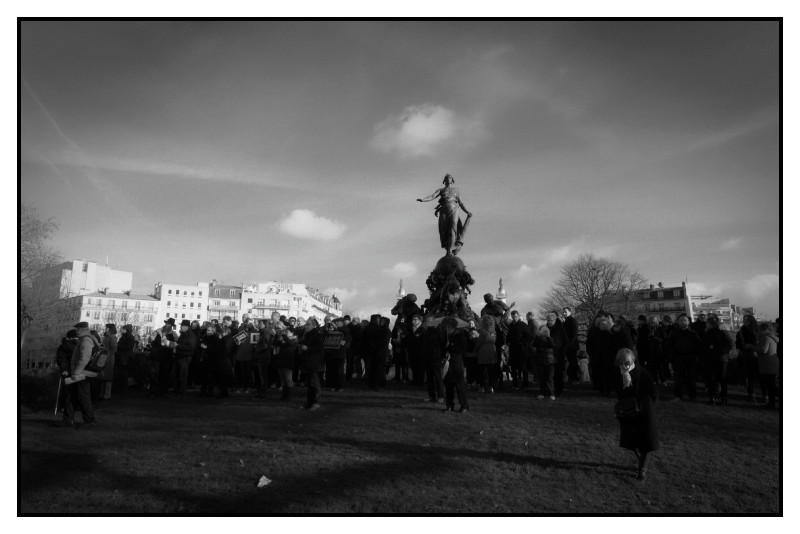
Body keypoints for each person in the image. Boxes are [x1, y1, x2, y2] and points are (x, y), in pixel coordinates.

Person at [614, 348, 659, 481]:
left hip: (645, 410)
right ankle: (641, 462)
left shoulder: (643, 373)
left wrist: (648, 406)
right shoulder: (618, 374)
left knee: (646, 441)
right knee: (632, 440)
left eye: (627, 362)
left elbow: (653, 392)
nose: (625, 365)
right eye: (622, 363)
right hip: (629, 411)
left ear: (632, 360)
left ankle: (642, 470)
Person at [416, 173, 473, 256]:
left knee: (453, 228)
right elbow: (433, 196)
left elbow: (461, 202)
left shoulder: (456, 190)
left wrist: (466, 211)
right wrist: (423, 200)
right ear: (444, 181)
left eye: (449, 178)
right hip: (444, 210)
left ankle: (450, 250)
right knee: (444, 230)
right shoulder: (441, 190)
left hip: (454, 208)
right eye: (446, 178)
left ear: (452, 180)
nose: (447, 179)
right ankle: (448, 248)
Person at [68, 322, 98, 428]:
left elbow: (84, 358)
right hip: (83, 372)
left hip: (82, 373)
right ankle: (69, 419)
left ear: (82, 329)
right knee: (76, 395)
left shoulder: (86, 340)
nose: (76, 331)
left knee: (83, 396)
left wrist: (76, 372)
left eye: (77, 329)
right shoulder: (86, 339)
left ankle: (89, 421)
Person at [666, 313, 702, 402]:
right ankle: (678, 396)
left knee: (691, 378)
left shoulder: (693, 333)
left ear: (689, 322)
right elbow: (669, 345)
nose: (683, 322)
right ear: (678, 322)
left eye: (684, 320)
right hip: (678, 357)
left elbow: (698, 346)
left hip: (691, 358)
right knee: (678, 378)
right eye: (681, 320)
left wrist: (695, 355)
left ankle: (692, 396)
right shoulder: (674, 333)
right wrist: (672, 357)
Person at [700, 314, 733, 405]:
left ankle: (712, 397)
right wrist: (722, 352)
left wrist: (713, 349)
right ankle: (723, 398)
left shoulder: (708, 334)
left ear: (710, 324)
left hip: (713, 358)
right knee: (722, 379)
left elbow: (703, 346)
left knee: (711, 379)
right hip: (721, 358)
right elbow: (729, 344)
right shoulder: (722, 332)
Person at [441, 317, 469, 413]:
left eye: (448, 327)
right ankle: (449, 405)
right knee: (448, 385)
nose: (446, 329)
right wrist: (446, 351)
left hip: (456, 363)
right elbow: (443, 349)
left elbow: (462, 350)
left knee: (459, 385)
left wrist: (451, 347)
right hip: (448, 363)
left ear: (453, 327)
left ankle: (464, 405)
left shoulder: (460, 336)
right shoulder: (446, 336)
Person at [298, 317, 325, 410]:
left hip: (314, 362)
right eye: (306, 324)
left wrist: (308, 348)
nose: (306, 326)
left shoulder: (317, 335)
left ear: (314, 325)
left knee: (314, 383)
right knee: (309, 384)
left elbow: (320, 348)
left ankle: (316, 402)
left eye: (308, 324)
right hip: (307, 362)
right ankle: (309, 402)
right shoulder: (306, 334)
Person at [736, 314, 763, 403]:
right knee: (749, 375)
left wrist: (752, 346)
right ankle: (751, 394)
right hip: (747, 355)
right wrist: (743, 346)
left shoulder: (757, 330)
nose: (745, 321)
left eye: (747, 320)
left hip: (757, 354)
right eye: (744, 319)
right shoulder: (741, 331)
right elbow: (738, 344)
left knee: (760, 376)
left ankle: (763, 394)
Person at [55, 329, 79, 426]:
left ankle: (68, 417)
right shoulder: (77, 345)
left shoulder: (65, 345)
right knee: (71, 395)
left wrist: (64, 369)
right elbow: (62, 358)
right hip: (73, 372)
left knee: (69, 395)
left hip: (69, 372)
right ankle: (69, 417)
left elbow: (61, 358)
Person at [756, 322, 779, 409]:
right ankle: (771, 403)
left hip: (767, 364)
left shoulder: (765, 338)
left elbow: (763, 350)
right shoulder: (772, 338)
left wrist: (752, 347)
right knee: (771, 385)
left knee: (771, 386)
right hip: (772, 363)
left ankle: (771, 403)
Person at [172, 319, 197, 395]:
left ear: (186, 327)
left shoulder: (191, 336)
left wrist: (178, 346)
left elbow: (191, 347)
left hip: (184, 357)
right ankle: (177, 391)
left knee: (182, 375)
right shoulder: (184, 334)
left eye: (182, 326)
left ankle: (181, 392)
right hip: (180, 356)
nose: (181, 327)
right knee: (174, 375)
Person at [547, 312, 569, 396]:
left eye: (551, 320)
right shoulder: (545, 329)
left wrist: (562, 351)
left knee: (558, 374)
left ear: (555, 320)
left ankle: (558, 390)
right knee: (549, 375)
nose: (550, 322)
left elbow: (566, 342)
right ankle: (550, 390)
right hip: (548, 355)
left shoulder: (561, 330)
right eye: (548, 320)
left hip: (558, 354)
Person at [506, 311, 529, 389]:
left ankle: (525, 384)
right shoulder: (511, 326)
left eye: (515, 316)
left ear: (518, 316)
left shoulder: (523, 325)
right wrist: (507, 342)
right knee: (513, 368)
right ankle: (515, 383)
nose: (514, 318)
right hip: (513, 349)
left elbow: (528, 337)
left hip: (521, 349)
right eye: (513, 317)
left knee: (523, 368)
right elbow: (508, 336)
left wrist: (522, 343)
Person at [475, 315, 498, 393]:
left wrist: (475, 350)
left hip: (483, 352)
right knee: (491, 371)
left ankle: (482, 387)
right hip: (492, 351)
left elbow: (479, 342)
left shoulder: (482, 331)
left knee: (481, 371)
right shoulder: (494, 331)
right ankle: (491, 387)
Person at [532, 325, 555, 400]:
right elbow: (533, 344)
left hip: (549, 360)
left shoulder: (549, 338)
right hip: (541, 360)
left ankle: (550, 393)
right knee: (542, 378)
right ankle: (542, 392)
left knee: (549, 378)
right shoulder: (538, 338)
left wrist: (548, 337)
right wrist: (537, 336)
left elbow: (552, 345)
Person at [115, 324, 135, 395]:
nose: (122, 330)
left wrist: (119, 347)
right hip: (123, 357)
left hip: (126, 357)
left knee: (125, 374)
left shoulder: (129, 337)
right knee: (123, 373)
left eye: (123, 329)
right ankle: (122, 388)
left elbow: (129, 347)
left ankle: (124, 388)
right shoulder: (125, 336)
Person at [100, 323, 117, 400]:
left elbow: (114, 348)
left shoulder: (112, 337)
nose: (105, 329)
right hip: (105, 357)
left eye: (106, 328)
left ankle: (107, 394)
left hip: (108, 358)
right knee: (103, 376)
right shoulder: (107, 336)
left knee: (108, 377)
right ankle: (102, 393)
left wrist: (107, 355)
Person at [562, 307, 579, 385]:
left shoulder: (572, 320)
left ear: (570, 312)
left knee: (573, 362)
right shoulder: (566, 321)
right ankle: (572, 378)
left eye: (565, 312)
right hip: (568, 345)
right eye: (563, 312)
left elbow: (574, 334)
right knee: (571, 362)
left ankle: (575, 378)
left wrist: (569, 344)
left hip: (571, 345)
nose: (564, 313)